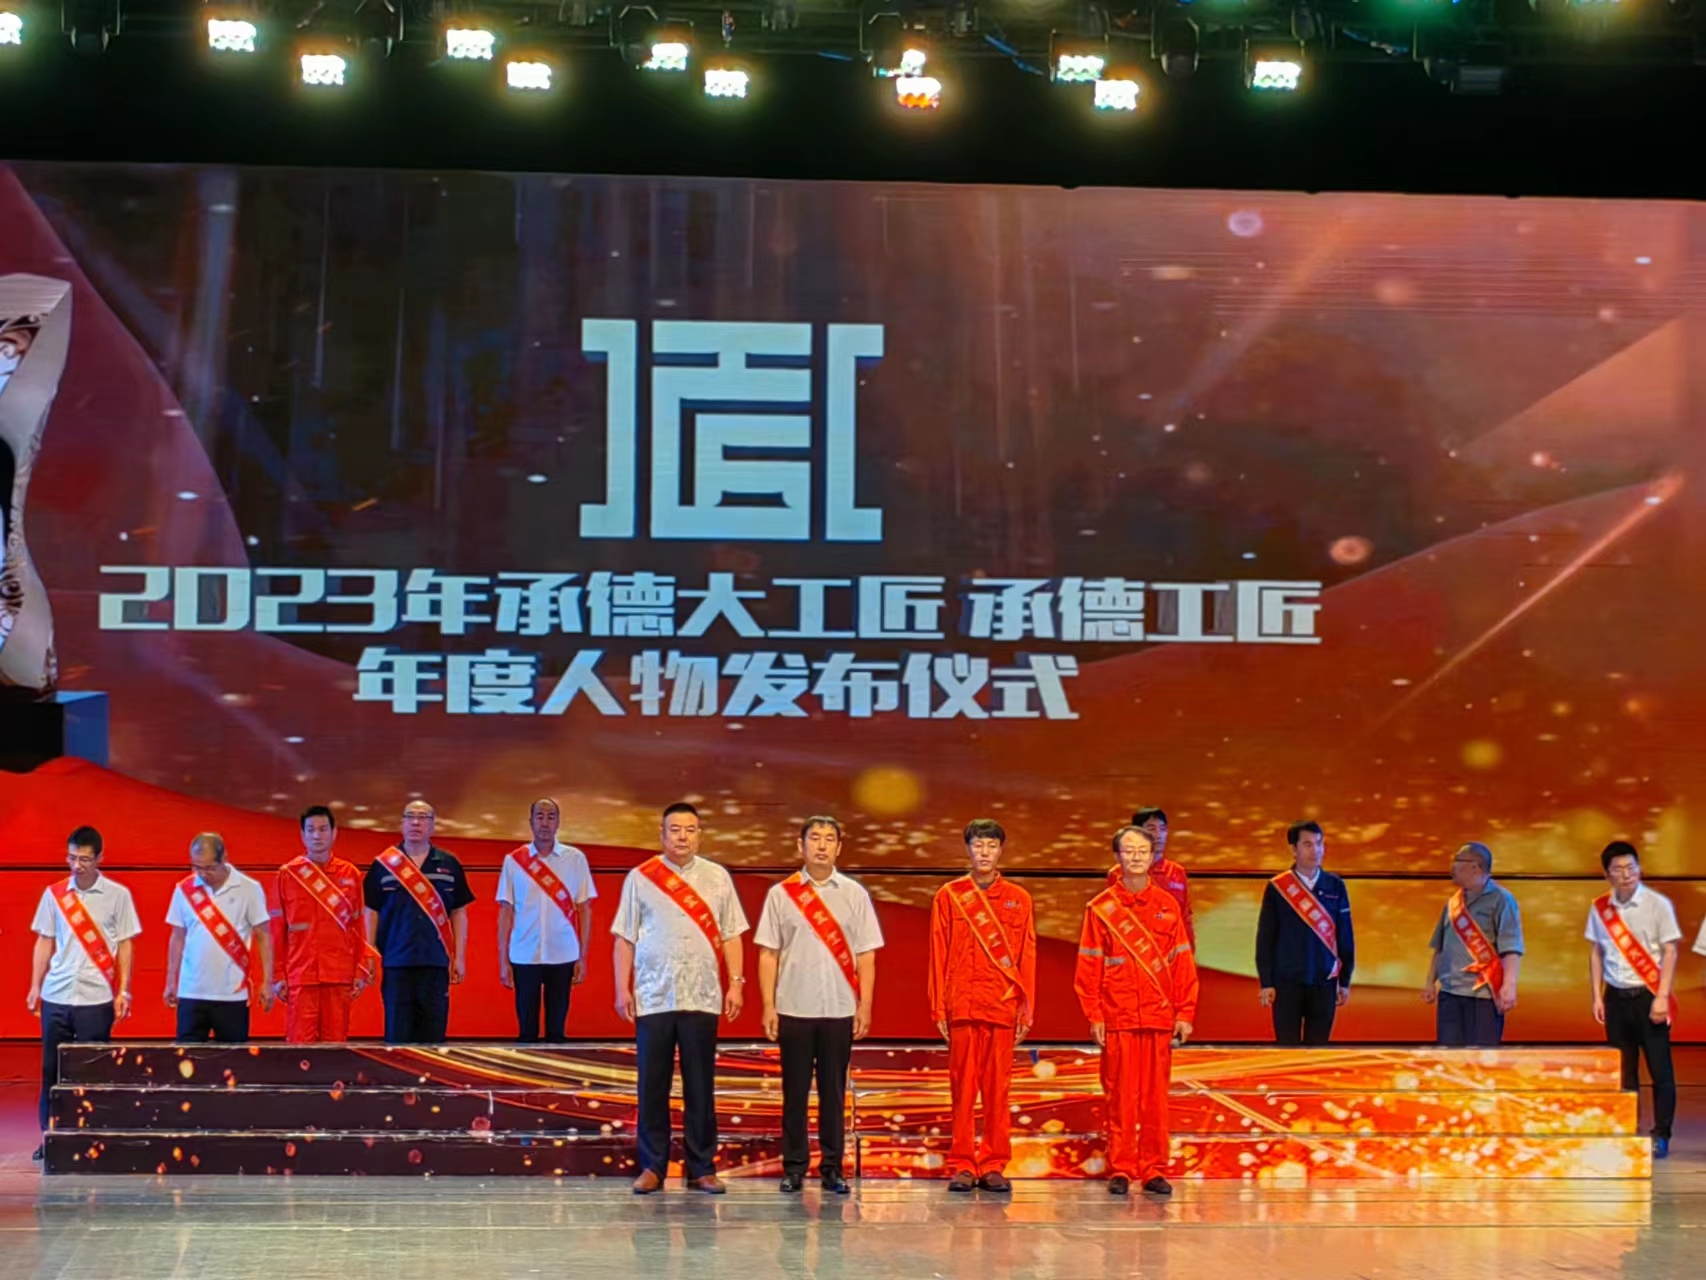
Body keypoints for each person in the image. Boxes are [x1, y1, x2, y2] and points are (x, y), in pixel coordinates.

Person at [613, 802, 749, 1195]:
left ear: (700, 835)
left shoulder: (717, 877)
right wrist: (622, 987)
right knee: (652, 1085)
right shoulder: (641, 877)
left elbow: (731, 934)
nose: (683, 837)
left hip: (701, 996)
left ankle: (701, 1167)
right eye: (675, 829)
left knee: (700, 1086)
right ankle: (652, 1166)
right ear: (662, 835)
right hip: (653, 995)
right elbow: (624, 938)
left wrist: (736, 983)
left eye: (690, 829)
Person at [756, 815, 883, 1195]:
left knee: (833, 1095)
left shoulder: (854, 894)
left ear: (839, 847)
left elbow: (866, 956)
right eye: (815, 838)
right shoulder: (781, 894)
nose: (822, 845)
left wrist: (865, 1005)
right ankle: (794, 1167)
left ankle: (832, 1168)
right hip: (793, 1007)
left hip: (839, 1009)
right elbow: (768, 954)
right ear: (801, 845)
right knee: (794, 1094)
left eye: (830, 839)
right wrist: (768, 1005)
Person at [1075, 825, 1198, 1197]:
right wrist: (1094, 1013)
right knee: (1120, 1097)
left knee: (1155, 1099)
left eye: (1142, 851)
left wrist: (1185, 1012)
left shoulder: (1167, 905)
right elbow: (1089, 965)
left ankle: (1154, 1168)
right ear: (1117, 856)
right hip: (1119, 1015)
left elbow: (1182, 963)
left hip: (1159, 1017)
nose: (1136, 857)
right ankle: (1121, 1167)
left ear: (1152, 855)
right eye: (1128, 851)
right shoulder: (1101, 909)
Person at [928, 818, 1036, 1194]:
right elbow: (938, 953)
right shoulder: (949, 896)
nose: (984, 852)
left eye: (991, 845)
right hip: (962, 1004)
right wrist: (938, 1007)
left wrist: (1026, 1008)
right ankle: (962, 1162)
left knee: (997, 1090)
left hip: (1001, 1006)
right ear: (968, 849)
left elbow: (1027, 956)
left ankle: (993, 1163)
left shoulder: (1019, 898)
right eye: (978, 845)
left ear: (1000, 850)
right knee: (962, 1089)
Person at [26, 826, 141, 1162]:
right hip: (57, 995)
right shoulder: (54, 894)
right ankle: (51, 1137)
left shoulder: (118, 895)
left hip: (96, 997)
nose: (77, 865)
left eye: (85, 859)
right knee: (52, 1071)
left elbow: (125, 944)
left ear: (100, 858)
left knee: (93, 1072)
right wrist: (35, 985)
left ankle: (91, 1137)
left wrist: (123, 990)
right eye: (72, 858)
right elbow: (44, 940)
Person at [1587, 840, 1680, 1159]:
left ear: (1639, 869)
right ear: (1607, 874)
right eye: (1618, 869)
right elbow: (1596, 952)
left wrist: (1662, 997)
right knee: (1624, 1071)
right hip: (1615, 998)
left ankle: (1661, 1134)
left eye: (1631, 867)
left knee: (1660, 1071)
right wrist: (1596, 995)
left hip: (1649, 996)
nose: (1626, 874)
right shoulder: (1600, 908)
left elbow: (1670, 951)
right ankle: (1628, 1128)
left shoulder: (1657, 904)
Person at [363, 800, 475, 1044]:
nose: (416, 822)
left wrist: (459, 957)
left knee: (433, 1037)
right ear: (402, 824)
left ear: (433, 825)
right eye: (410, 816)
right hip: (396, 963)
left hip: (435, 962)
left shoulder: (449, 864)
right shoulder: (383, 865)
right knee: (397, 1037)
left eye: (423, 817)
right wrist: (369, 955)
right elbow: (371, 910)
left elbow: (459, 912)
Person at [270, 805, 373, 1044]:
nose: (317, 835)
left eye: (323, 829)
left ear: (334, 833)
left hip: (339, 974)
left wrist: (361, 969)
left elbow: (358, 927)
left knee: (335, 1046)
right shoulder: (288, 874)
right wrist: (278, 975)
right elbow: (277, 930)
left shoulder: (350, 874)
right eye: (311, 830)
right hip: (300, 974)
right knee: (300, 1046)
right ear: (302, 834)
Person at [497, 798, 597, 1043]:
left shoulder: (575, 859)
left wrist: (583, 957)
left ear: (558, 822)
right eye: (539, 817)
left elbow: (584, 909)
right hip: (524, 954)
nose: (545, 823)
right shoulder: (514, 860)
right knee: (526, 1033)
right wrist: (503, 960)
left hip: (563, 954)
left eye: (551, 817)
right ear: (530, 822)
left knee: (556, 1032)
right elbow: (506, 911)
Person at [165, 833, 276, 1042]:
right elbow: (177, 937)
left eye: (209, 868)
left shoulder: (248, 889)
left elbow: (263, 935)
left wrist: (267, 982)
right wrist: (171, 980)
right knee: (187, 1057)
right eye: (196, 867)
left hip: (232, 994)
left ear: (224, 858)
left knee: (233, 1058)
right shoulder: (184, 890)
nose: (202, 874)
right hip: (191, 992)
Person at [1255, 820, 1355, 1044]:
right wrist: (1266, 982)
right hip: (1286, 982)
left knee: (1317, 1049)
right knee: (1287, 1049)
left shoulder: (1335, 885)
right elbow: (1266, 938)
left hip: (1324, 982)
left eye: (1319, 844)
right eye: (1308, 845)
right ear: (1294, 849)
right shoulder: (1278, 887)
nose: (1316, 850)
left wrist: (1345, 980)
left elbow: (1345, 936)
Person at [1422, 841, 1524, 1046]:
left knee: (1481, 1057)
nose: (1452, 867)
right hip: (1450, 994)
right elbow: (1440, 947)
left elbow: (1511, 948)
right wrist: (1430, 982)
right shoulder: (1453, 904)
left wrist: (1509, 985)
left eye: (1457, 861)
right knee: (1449, 1056)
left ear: (1475, 867)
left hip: (1483, 996)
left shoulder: (1502, 900)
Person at [1132, 807, 1194, 945]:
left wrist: (1188, 953)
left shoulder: (1177, 872)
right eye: (1151, 829)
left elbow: (1185, 918)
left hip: (1172, 951)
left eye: (1163, 829)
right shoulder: (1121, 873)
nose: (1159, 835)